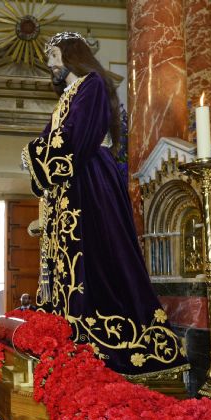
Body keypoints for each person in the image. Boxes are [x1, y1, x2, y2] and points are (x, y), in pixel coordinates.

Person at [21, 32, 189, 377]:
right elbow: (57, 136)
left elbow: (73, 137)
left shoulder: (91, 83)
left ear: (70, 54)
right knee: (71, 258)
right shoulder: (70, 93)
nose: (49, 63)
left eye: (53, 54)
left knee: (94, 255)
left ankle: (97, 337)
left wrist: (33, 153)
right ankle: (65, 332)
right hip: (74, 183)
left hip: (90, 182)